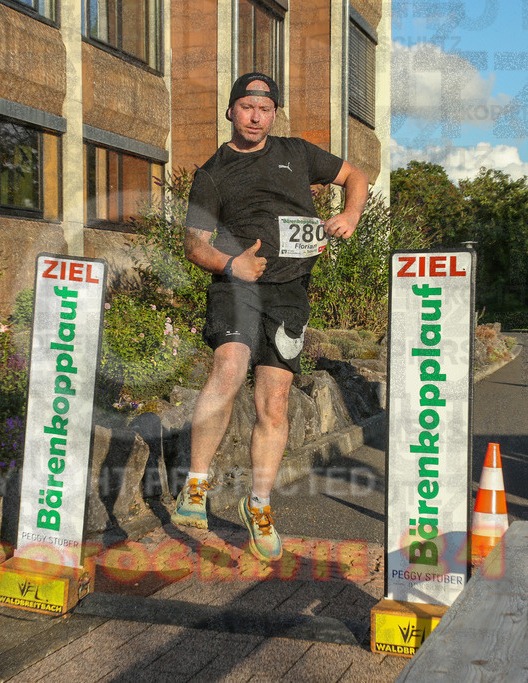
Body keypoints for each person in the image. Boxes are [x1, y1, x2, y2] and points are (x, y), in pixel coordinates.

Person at [171, 72, 368, 562]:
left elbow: (356, 176)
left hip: (289, 293)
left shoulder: (297, 153)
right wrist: (230, 264)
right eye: (247, 107)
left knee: (274, 403)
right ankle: (195, 485)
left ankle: (257, 504)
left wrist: (350, 215)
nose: (256, 117)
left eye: (265, 109)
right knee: (229, 367)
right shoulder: (212, 173)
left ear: (274, 114)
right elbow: (193, 243)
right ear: (231, 111)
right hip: (236, 287)